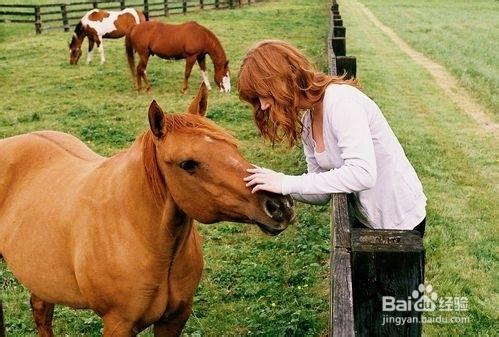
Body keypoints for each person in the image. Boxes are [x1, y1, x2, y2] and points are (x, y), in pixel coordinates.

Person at [238, 39, 427, 236]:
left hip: (401, 221)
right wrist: (273, 184)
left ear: (282, 80)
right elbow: (321, 194)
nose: (264, 106)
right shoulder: (309, 122)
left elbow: (362, 173)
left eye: (263, 95)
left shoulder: (341, 102)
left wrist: (286, 182)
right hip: (366, 220)